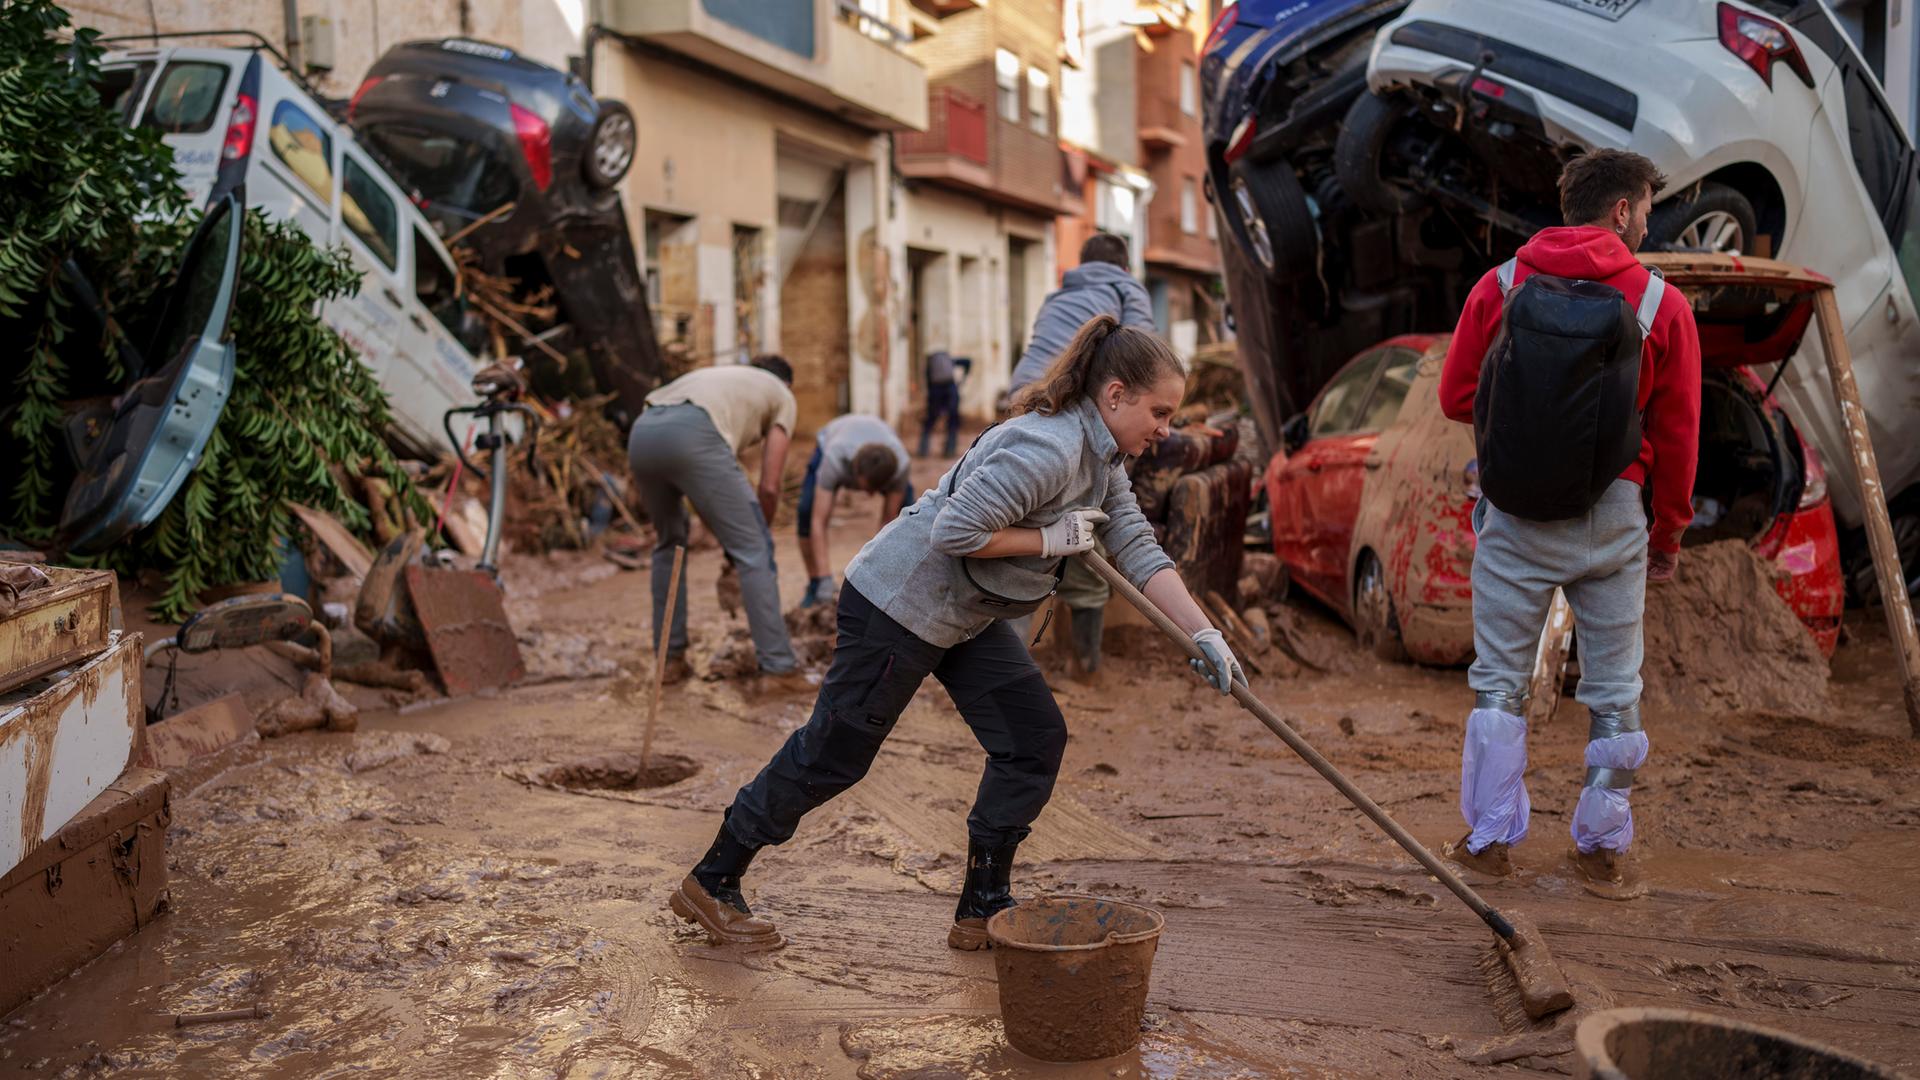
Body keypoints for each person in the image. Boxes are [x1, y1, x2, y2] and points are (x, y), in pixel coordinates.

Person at [668, 316, 1244, 952]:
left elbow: (1135, 544)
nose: (1165, 429)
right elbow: (955, 532)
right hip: (899, 602)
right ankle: (714, 879)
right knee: (835, 753)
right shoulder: (1049, 447)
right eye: (1159, 412)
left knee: (1032, 738)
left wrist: (1203, 633)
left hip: (969, 613)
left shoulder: (1101, 455)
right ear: (1115, 396)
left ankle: (983, 904)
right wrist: (1049, 540)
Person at [1437, 149, 1701, 888]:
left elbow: (1457, 397)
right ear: (1621, 211)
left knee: (1499, 682)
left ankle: (1489, 840)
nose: (1649, 220)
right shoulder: (1662, 305)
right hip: (1615, 514)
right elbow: (1679, 439)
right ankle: (1602, 847)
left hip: (1515, 509)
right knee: (1616, 690)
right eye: (1647, 207)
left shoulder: (1500, 284)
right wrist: (1669, 531)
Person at [1005, 233, 1158, 679]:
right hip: (1071, 414)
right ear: (1125, 268)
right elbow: (1144, 363)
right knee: (1087, 530)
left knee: (1019, 538)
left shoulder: (1058, 295)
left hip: (1021, 403)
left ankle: (1005, 669)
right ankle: (1085, 665)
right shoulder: (1128, 291)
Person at [627, 355, 807, 689]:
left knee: (668, 544)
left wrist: (730, 542)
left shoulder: (722, 378)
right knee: (755, 550)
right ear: (786, 384)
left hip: (643, 433)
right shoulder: (782, 395)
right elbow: (769, 487)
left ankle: (670, 662)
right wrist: (756, 538)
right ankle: (779, 670)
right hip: (696, 431)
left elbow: (712, 498)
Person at [799, 413, 915, 607]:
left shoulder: (901, 466)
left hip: (886, 452)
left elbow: (887, 525)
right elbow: (818, 521)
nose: (869, 496)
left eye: (875, 491)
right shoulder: (834, 458)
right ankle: (816, 584)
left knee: (908, 524)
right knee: (806, 511)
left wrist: (876, 582)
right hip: (834, 435)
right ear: (854, 473)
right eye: (866, 488)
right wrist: (826, 578)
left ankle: (898, 589)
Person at [919, 349, 972, 457]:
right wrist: (964, 377)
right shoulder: (950, 361)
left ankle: (923, 450)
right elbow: (967, 361)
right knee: (953, 421)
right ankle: (950, 450)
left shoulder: (930, 366)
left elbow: (928, 384)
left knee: (930, 420)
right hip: (950, 389)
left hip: (936, 391)